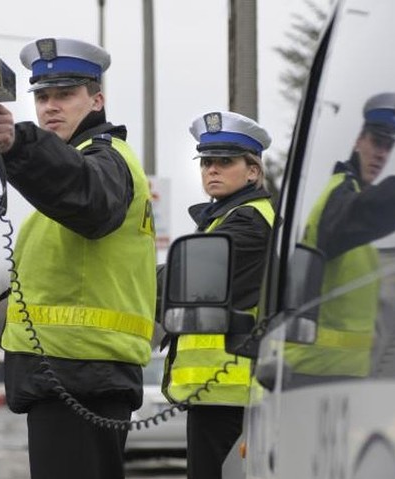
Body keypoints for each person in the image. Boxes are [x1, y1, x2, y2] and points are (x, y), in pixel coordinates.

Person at [0, 37, 157, 479]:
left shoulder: (107, 160)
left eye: (65, 94)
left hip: (80, 371)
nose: (50, 106)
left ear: (97, 99)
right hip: (74, 372)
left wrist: (20, 144)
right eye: (42, 96)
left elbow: (88, 198)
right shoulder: (83, 159)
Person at [284, 92, 395, 384]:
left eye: (389, 146)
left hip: (341, 373)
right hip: (318, 373)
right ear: (358, 141)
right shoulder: (340, 196)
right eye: (377, 142)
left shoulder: (350, 199)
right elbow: (364, 212)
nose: (382, 153)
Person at [161, 111, 275, 479]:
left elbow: (191, 277)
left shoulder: (249, 220)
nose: (212, 169)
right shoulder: (225, 218)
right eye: (207, 162)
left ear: (253, 171)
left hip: (230, 390)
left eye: (225, 162)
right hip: (220, 391)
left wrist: (132, 280)